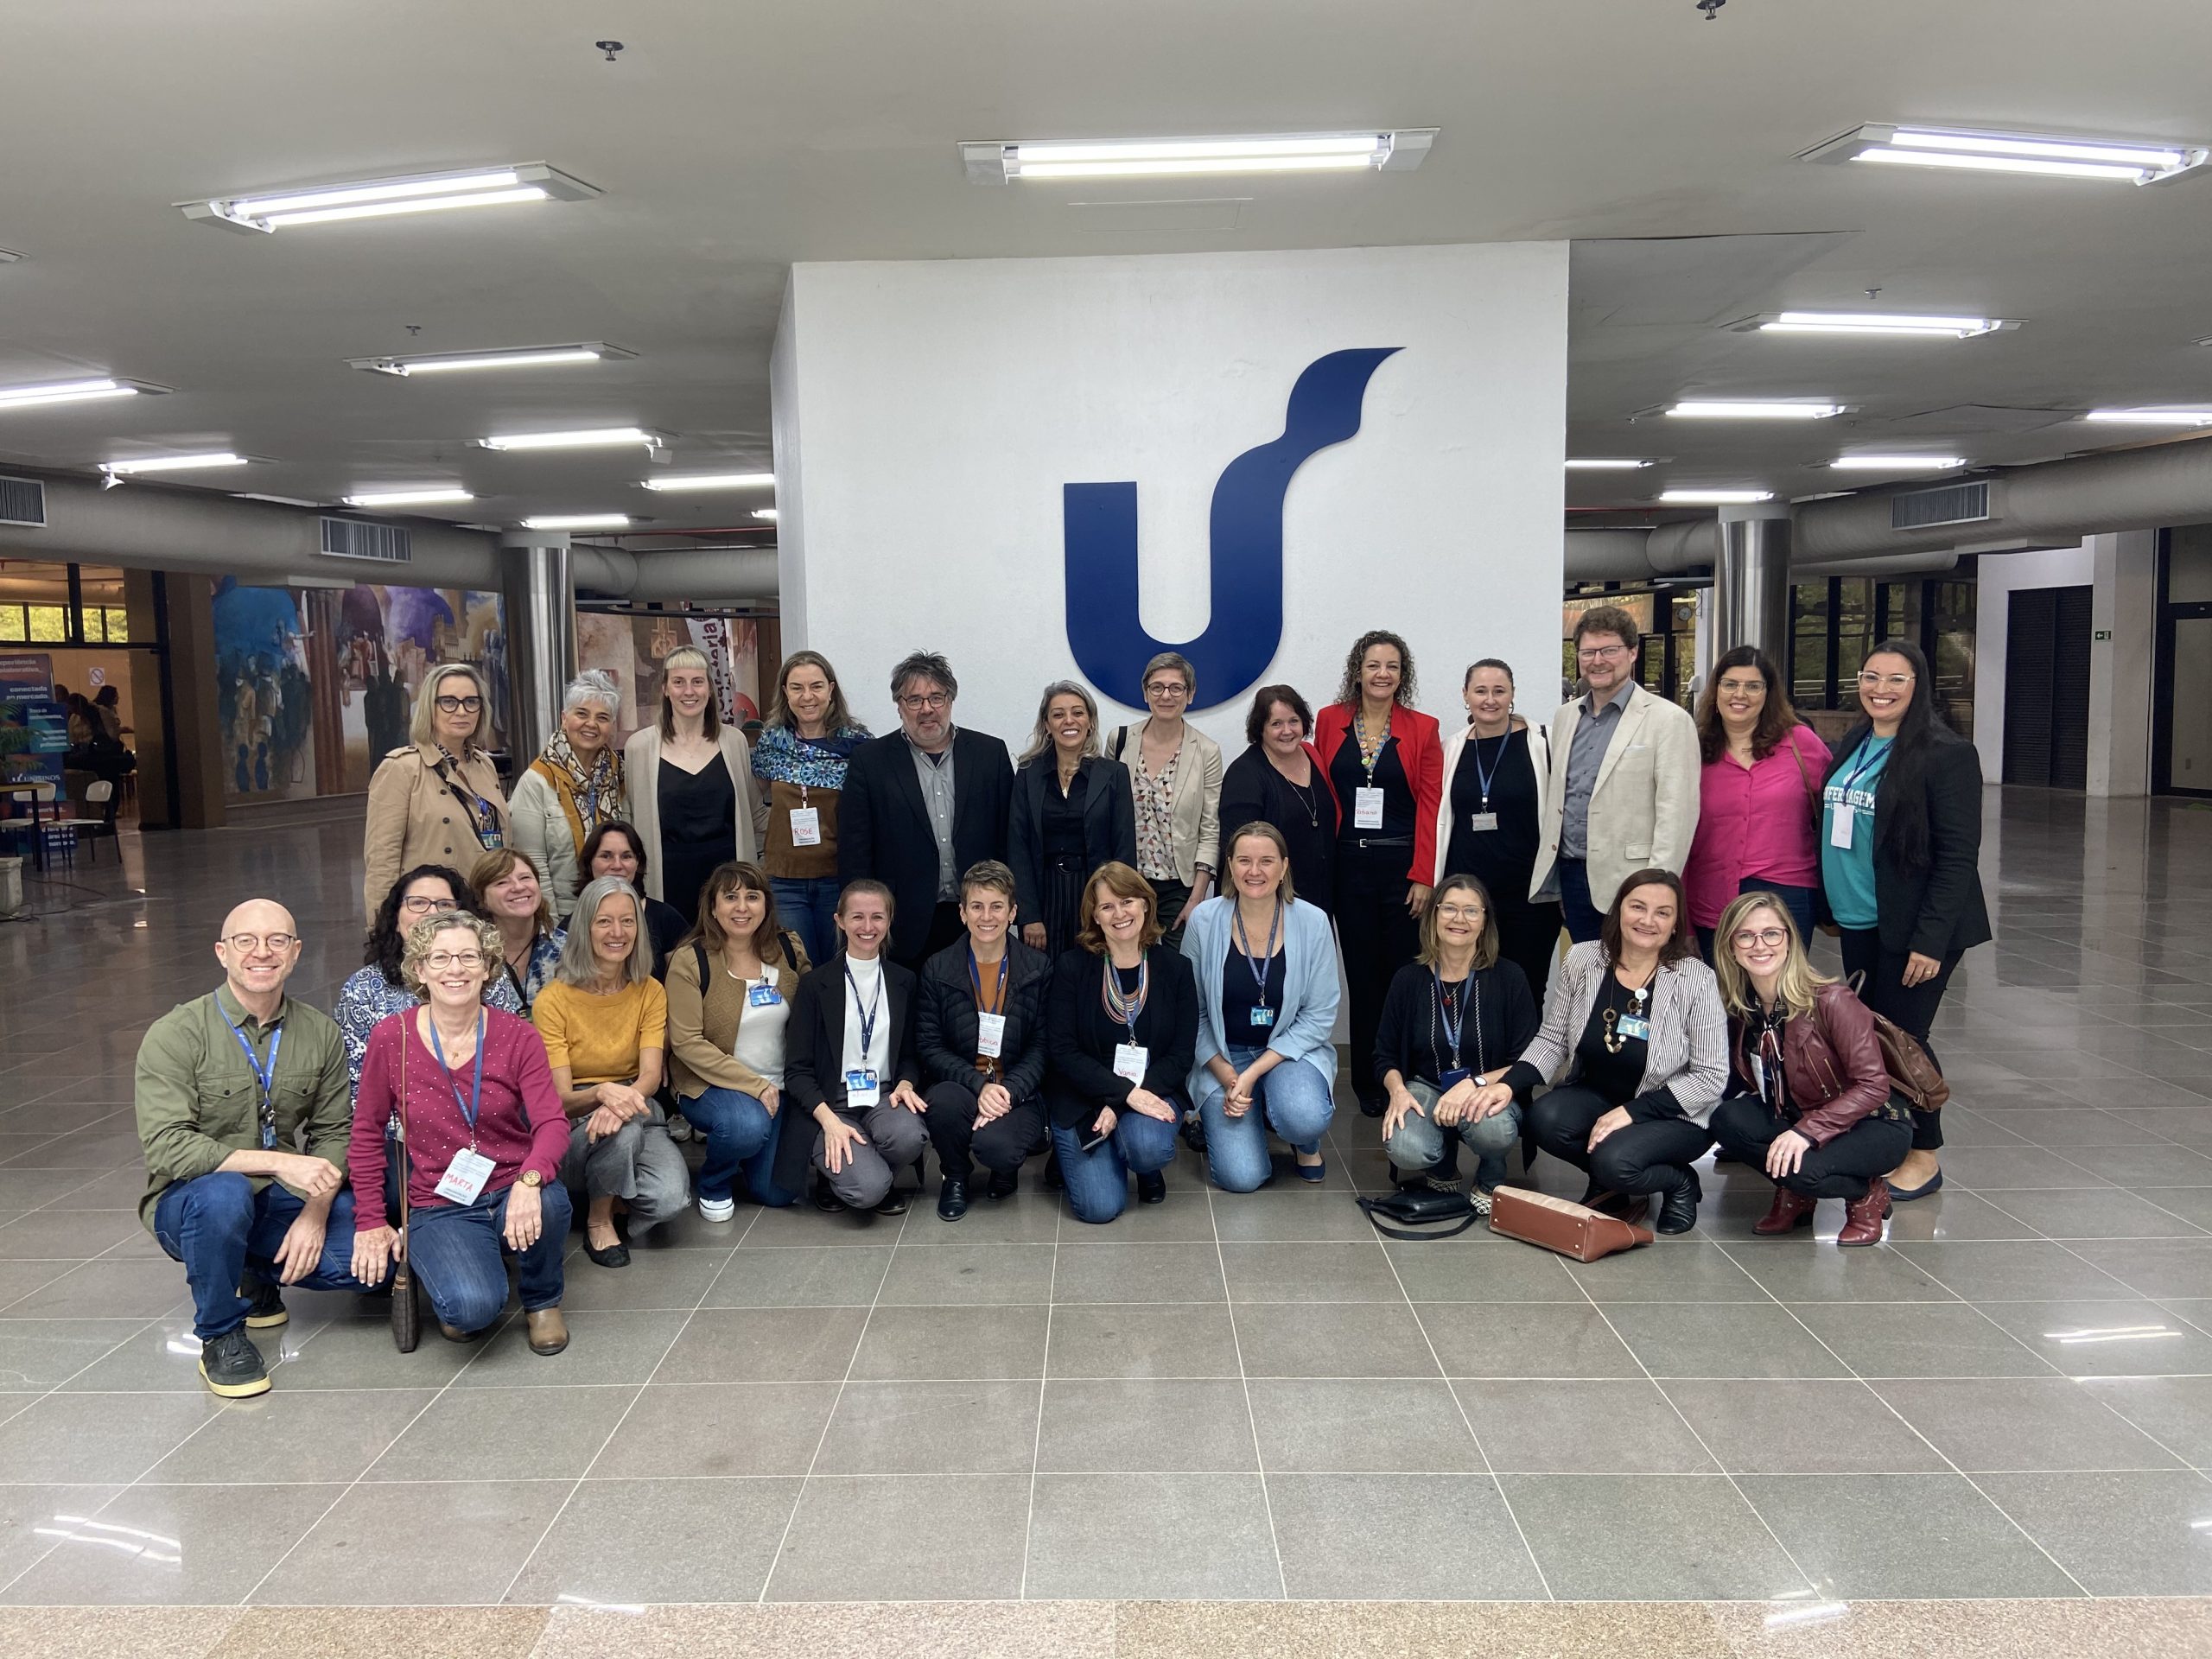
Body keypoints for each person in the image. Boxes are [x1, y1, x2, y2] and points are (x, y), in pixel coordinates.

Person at [135, 899, 387, 1398]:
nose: (261, 952)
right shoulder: (176, 1034)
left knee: (367, 1269)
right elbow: (168, 1147)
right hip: (191, 1203)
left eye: (276, 941)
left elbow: (337, 1133)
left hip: (277, 1196)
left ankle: (251, 1271)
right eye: (245, 941)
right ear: (222, 953)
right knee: (225, 1195)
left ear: (294, 953)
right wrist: (276, 1160)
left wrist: (315, 1212)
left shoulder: (319, 1031)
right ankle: (221, 1335)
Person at [348, 912, 572, 1353]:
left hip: (511, 1183)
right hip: (440, 1199)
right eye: (441, 958)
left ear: (488, 967)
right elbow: (367, 1133)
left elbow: (551, 1122)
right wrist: (372, 1220)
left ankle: (542, 1300)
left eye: (470, 956)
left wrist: (530, 1180)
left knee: (550, 1198)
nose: (456, 969)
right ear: (420, 970)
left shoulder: (517, 1035)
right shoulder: (392, 1038)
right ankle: (460, 1269)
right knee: (470, 1312)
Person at [1818, 638, 1991, 1202]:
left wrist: (1931, 941)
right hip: (1860, 918)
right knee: (1868, 1036)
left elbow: (1959, 858)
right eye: (1871, 677)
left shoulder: (1946, 753)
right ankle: (1887, 1139)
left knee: (1903, 1038)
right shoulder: (1856, 741)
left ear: (1918, 686)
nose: (1881, 689)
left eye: (1896, 679)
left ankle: (1926, 1153)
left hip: (1915, 927)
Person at [1479, 869, 1727, 1234]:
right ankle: (1611, 1181)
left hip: (1672, 1113)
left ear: (1676, 924)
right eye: (1637, 907)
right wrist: (1508, 1084)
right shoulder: (1583, 960)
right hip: (1598, 1095)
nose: (1647, 920)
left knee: (1617, 1162)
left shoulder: (1696, 979)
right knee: (1544, 1120)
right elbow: (1553, 1038)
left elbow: (1711, 1076)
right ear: (1618, 911)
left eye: (1663, 912)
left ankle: (1677, 1182)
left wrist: (1632, 1112)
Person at [1707, 893, 1911, 1247]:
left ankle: (1865, 1195)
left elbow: (1873, 1086)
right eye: (1745, 935)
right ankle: (1798, 1195)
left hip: (1872, 1123)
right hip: (1799, 1111)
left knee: (1800, 1169)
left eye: (1772, 933)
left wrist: (1805, 1133)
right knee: (1728, 1119)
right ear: (1730, 947)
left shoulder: (1832, 1000)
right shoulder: (1744, 1007)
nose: (1760, 945)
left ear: (1789, 940)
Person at [1314, 631, 1443, 1117]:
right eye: (1373, 665)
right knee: (1361, 976)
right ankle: (1369, 1078)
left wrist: (1424, 875)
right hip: (1348, 866)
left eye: (1392, 666)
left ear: (1402, 674)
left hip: (1401, 869)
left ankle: (1405, 1074)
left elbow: (1430, 805)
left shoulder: (1423, 728)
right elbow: (1322, 794)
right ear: (1358, 670)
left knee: (1404, 975)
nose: (1382, 674)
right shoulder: (1329, 721)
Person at [532, 875, 686, 1268]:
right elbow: (561, 1100)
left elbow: (651, 1076)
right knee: (622, 1132)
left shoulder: (649, 990)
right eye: (604, 921)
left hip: (637, 1105)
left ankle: (612, 1185)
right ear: (584, 927)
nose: (617, 932)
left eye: (628, 920)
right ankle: (600, 1219)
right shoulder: (554, 1000)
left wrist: (619, 1103)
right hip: (571, 1124)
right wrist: (603, 1094)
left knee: (670, 1200)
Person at [1181, 823, 1341, 1190]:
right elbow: (1193, 1012)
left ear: (1284, 867)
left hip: (1289, 1055)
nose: (1255, 871)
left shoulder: (1313, 922)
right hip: (1225, 1054)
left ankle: (1304, 1139)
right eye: (1244, 861)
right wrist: (1226, 1073)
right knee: (1242, 1178)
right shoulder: (1204, 922)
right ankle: (1227, 1113)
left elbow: (1318, 1017)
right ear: (1230, 866)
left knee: (1302, 1115)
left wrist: (1253, 1075)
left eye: (1266, 861)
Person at [1531, 607, 1700, 945]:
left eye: (1610, 650)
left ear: (1633, 652)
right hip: (1573, 874)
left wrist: (1658, 886)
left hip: (1635, 881)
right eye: (1588, 652)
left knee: (1636, 981)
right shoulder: (1565, 716)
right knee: (1590, 977)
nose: (1598, 661)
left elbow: (1677, 813)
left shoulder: (1668, 720)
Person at [837, 651, 1014, 969]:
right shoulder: (871, 761)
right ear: (899, 705)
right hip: (904, 922)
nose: (927, 709)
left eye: (936, 697)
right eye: (915, 700)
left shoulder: (991, 754)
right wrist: (864, 920)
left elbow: (1010, 837)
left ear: (951, 700)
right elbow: (856, 848)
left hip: (977, 916)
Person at [1046, 861, 1197, 1224]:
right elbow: (1063, 1051)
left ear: (1145, 904)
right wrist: (1123, 1094)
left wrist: (1122, 1103)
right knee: (1100, 1209)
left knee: (1148, 1147)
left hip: (1151, 1089)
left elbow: (1180, 1055)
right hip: (1083, 1098)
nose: (1120, 914)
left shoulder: (1176, 969)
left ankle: (1141, 1164)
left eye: (1127, 901)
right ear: (1094, 916)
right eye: (1107, 906)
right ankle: (1077, 1153)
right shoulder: (1072, 968)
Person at [1377, 874, 1541, 1205]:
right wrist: (1397, 1092)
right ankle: (1442, 1164)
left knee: (1493, 1132)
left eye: (1471, 911)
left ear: (1485, 922)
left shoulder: (1510, 977)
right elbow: (1385, 1055)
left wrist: (1476, 1084)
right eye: (1449, 908)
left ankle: (1492, 1171)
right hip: (1427, 1085)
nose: (1459, 919)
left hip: (1487, 1087)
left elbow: (1530, 1060)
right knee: (1405, 1147)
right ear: (1434, 916)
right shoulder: (1408, 979)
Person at [664, 861, 810, 1223]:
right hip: (713, 1084)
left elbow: (816, 1008)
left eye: (752, 896)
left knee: (778, 1193)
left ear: (766, 904)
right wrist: (754, 1085)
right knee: (746, 1126)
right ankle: (714, 1181)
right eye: (730, 897)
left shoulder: (787, 948)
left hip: (780, 1085)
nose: (742, 907)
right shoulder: (691, 959)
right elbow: (685, 1041)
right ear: (713, 907)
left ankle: (748, 1154)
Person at [785, 880, 930, 1215]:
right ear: (839, 921)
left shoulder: (903, 981)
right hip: (830, 1103)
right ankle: (854, 1176)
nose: (868, 927)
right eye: (857, 917)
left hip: (882, 1096)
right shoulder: (814, 985)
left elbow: (909, 1054)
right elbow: (797, 1070)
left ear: (890, 921)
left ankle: (869, 1173)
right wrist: (829, 1121)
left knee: (910, 1136)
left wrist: (906, 1083)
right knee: (867, 1192)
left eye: (877, 917)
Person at [917, 860, 1052, 1220]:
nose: (986, 917)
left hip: (1017, 1090)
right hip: (963, 1085)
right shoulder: (937, 968)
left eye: (997, 907)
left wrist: (1008, 1090)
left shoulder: (1037, 969)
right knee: (941, 1102)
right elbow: (930, 1045)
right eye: (977, 906)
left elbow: (1042, 1046)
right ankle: (956, 1177)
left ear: (1013, 913)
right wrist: (979, 1086)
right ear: (962, 913)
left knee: (998, 1147)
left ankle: (1003, 1168)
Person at [1684, 646, 1832, 959]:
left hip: (1785, 897)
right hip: (1711, 898)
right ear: (1716, 690)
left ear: (1768, 693)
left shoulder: (1800, 745)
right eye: (1730, 684)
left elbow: (1839, 805)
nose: (1741, 694)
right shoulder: (1692, 751)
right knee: (1716, 1003)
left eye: (1753, 686)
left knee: (1778, 1001)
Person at [1434, 658, 1563, 1010]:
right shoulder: (1450, 749)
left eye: (1499, 691)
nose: (1489, 699)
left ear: (1512, 695)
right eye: (1480, 691)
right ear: (1465, 695)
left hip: (1529, 896)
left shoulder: (1543, 742)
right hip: (1468, 898)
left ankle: (1525, 1065)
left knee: (1526, 986)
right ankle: (1477, 1064)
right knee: (1470, 987)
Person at [334, 862, 522, 1096]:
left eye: (444, 904)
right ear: (395, 917)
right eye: (418, 903)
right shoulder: (361, 989)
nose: (432, 913)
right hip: (394, 1127)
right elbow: (357, 1085)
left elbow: (510, 1060)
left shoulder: (486, 973)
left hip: (485, 1114)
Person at [623, 644, 761, 926]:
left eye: (697, 682)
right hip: (667, 879)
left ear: (709, 689)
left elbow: (755, 814)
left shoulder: (734, 742)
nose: (689, 691)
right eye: (679, 682)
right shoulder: (639, 747)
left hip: (728, 879)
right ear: (665, 689)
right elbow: (629, 819)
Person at [752, 649, 871, 968]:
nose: (808, 696)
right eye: (797, 687)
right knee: (797, 970)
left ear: (831, 689)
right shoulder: (770, 744)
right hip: (784, 881)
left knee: (840, 969)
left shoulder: (859, 745)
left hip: (837, 879)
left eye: (816, 686)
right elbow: (760, 803)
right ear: (785, 693)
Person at [363, 664, 509, 918]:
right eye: (449, 702)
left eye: (471, 702)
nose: (461, 711)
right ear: (430, 707)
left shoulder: (484, 765)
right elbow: (381, 862)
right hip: (431, 914)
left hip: (485, 909)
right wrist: (381, 932)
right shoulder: (401, 769)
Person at [1010, 680, 1137, 961]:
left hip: (1096, 893)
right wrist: (1029, 915)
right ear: (1047, 724)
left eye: (1078, 713)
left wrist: (1119, 908)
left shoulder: (1114, 774)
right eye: (1058, 714)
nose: (1069, 721)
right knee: (1046, 981)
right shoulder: (1028, 774)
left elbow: (1124, 848)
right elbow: (1018, 847)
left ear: (1090, 721)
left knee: (1094, 977)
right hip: (1046, 897)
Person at [1103, 651, 1224, 948]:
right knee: (1126, 967)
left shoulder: (1206, 751)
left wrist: (1197, 899)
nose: (1166, 695)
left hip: (1178, 889)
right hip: (1126, 884)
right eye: (1157, 687)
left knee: (1175, 975)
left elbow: (1210, 829)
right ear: (1145, 693)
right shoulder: (1119, 742)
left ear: (1190, 694)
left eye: (1176, 687)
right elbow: (1103, 815)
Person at [508, 670, 629, 919]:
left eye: (602, 717)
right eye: (582, 714)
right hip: (563, 917)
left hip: (614, 912)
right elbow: (533, 865)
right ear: (564, 718)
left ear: (612, 726)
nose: (591, 724)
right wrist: (551, 927)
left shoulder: (621, 776)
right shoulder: (537, 782)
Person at [1219, 684, 1340, 912]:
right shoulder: (1244, 775)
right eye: (1276, 724)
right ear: (1260, 729)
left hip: (1320, 898)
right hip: (1270, 903)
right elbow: (1237, 851)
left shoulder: (1313, 755)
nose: (1287, 731)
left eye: (1293, 721)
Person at [579, 822, 689, 980]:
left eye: (626, 856)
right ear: (590, 862)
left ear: (638, 863)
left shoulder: (666, 919)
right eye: (606, 856)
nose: (617, 865)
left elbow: (684, 984)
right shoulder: (569, 927)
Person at [473, 849, 565, 1016]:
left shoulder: (568, 949)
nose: (518, 887)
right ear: (482, 900)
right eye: (502, 882)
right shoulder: (470, 955)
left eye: (525, 878)